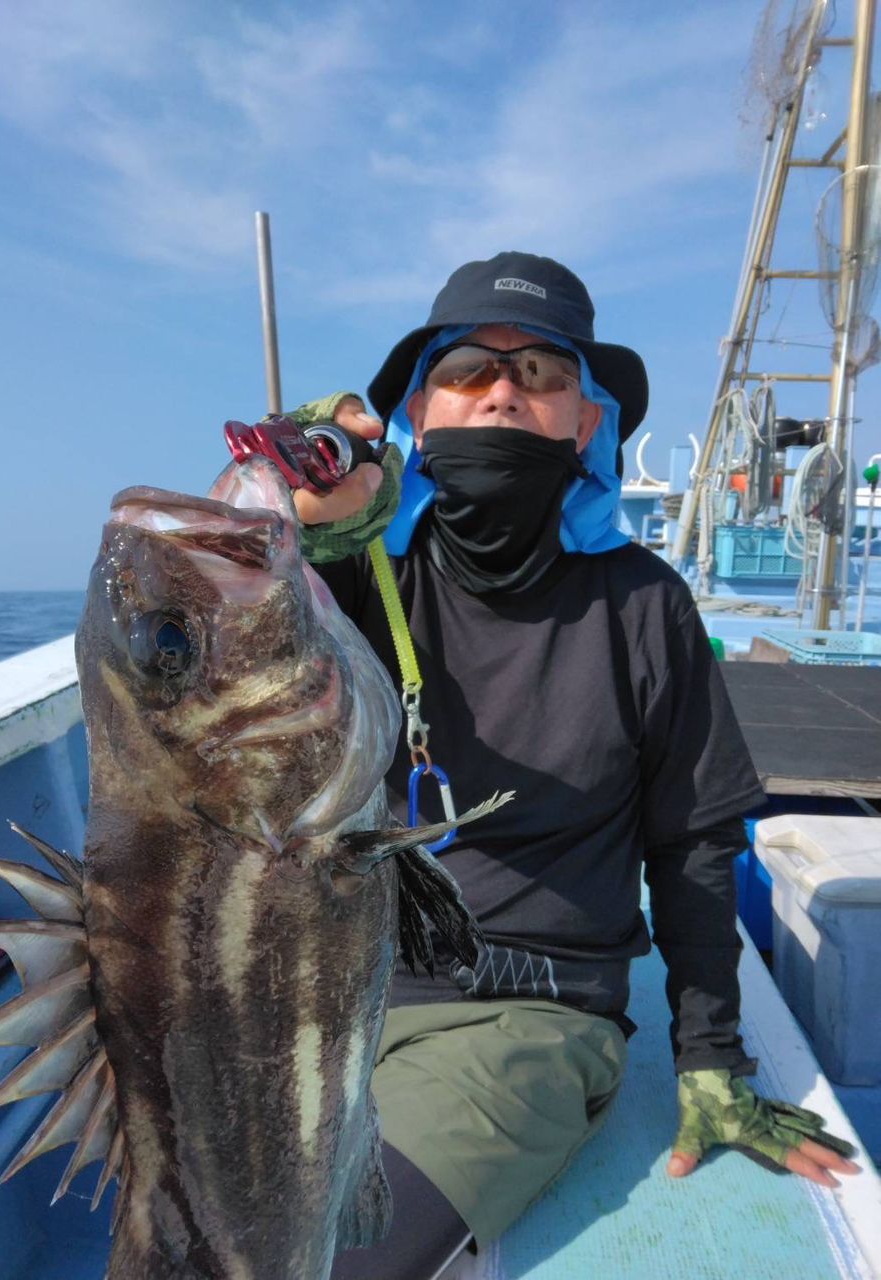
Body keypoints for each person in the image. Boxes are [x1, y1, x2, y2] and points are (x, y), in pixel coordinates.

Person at [286, 252, 860, 1280]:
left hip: (524, 1013)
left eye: (545, 373)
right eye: (467, 367)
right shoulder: (353, 579)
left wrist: (712, 1059)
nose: (505, 387)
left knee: (330, 1256)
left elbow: (691, 841)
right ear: (418, 410)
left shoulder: (643, 605)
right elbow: (196, 616)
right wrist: (301, 480)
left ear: (587, 420)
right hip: (322, 987)